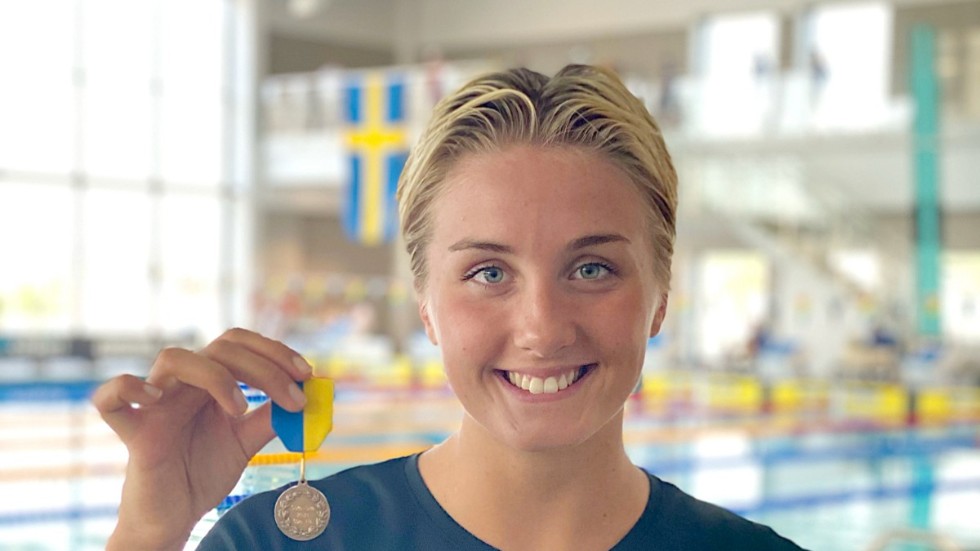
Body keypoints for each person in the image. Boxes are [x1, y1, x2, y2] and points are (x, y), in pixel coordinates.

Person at [93, 64, 806, 550]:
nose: (542, 328)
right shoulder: (280, 543)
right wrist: (148, 533)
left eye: (592, 268)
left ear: (660, 296)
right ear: (426, 305)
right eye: (488, 272)